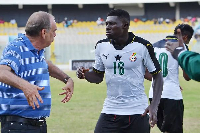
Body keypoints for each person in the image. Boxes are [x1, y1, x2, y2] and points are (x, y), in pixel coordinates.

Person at [76, 9, 163, 133]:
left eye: (112, 24)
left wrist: (154, 106)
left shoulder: (143, 46)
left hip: (138, 111)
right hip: (110, 109)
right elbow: (97, 76)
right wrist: (85, 74)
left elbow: (158, 76)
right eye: (106, 24)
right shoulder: (101, 46)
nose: (107, 27)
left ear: (125, 25)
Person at [0, 11, 74, 133]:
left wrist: (67, 79)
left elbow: (46, 64)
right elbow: (2, 72)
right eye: (54, 31)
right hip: (18, 126)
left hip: (37, 125)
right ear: (44, 32)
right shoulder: (17, 47)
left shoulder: (37, 51)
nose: (55, 35)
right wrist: (26, 86)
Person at [145, 23, 194, 133]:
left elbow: (145, 72)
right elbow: (187, 77)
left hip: (154, 96)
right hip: (171, 95)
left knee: (165, 130)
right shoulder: (181, 46)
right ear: (185, 37)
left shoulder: (154, 45)